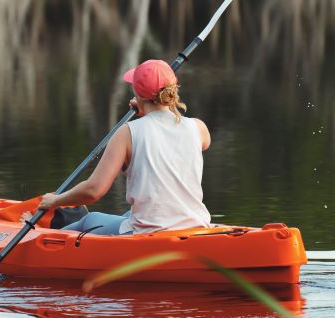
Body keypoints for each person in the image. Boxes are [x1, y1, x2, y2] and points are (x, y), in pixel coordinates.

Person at [34, 59, 212, 235]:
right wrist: (147, 111)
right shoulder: (198, 128)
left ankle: (40, 236)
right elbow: (170, 137)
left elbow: (94, 190)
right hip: (196, 225)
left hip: (150, 232)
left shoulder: (126, 133)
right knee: (128, 214)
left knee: (90, 220)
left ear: (139, 94)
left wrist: (55, 201)